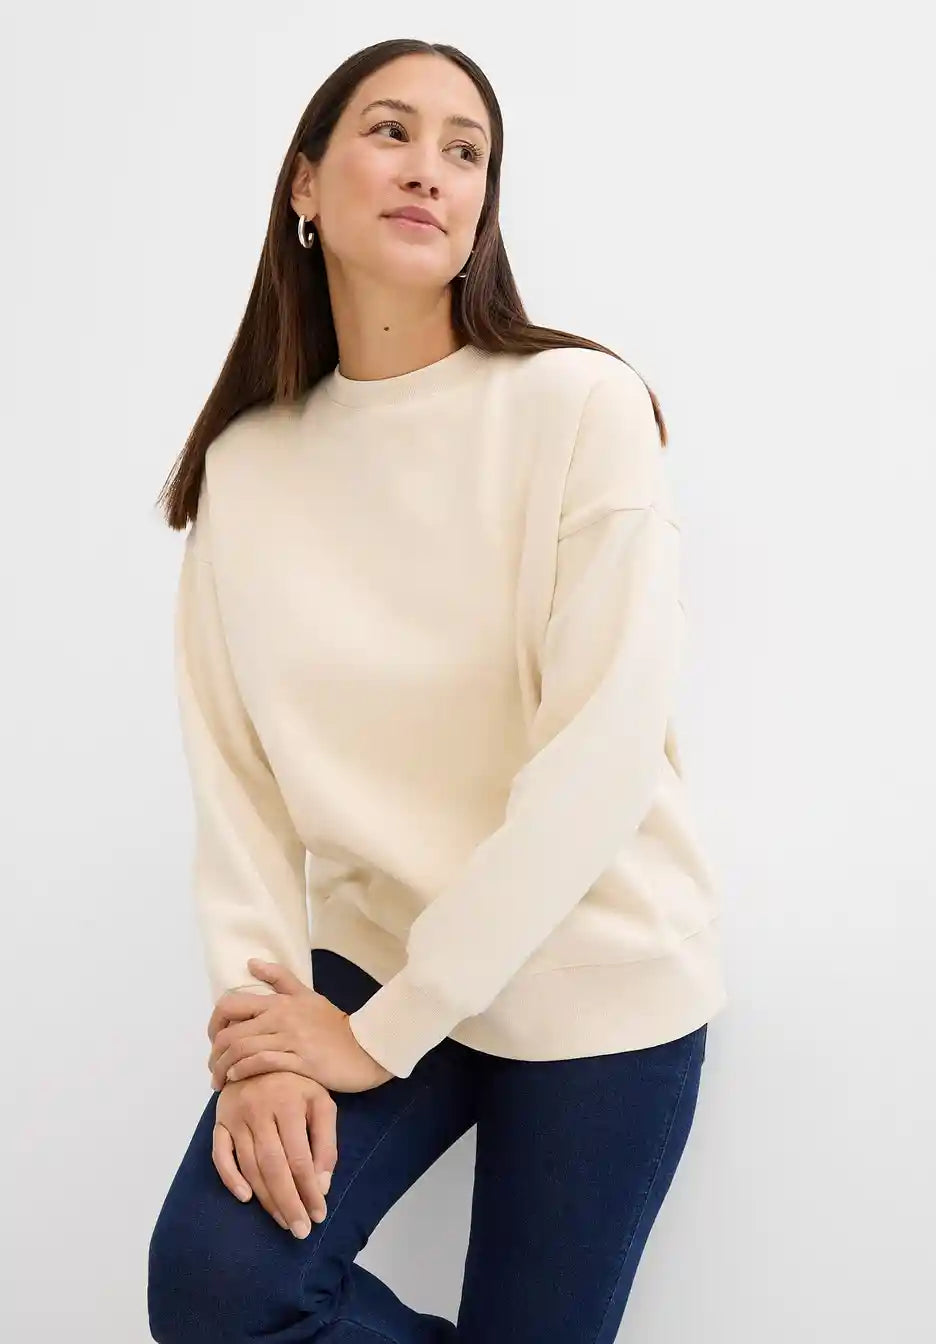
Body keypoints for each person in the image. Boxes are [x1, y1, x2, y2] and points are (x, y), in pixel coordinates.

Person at [147, 35, 728, 1344]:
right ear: (306, 184)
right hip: (375, 954)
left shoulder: (579, 405)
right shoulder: (247, 466)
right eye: (391, 132)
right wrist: (265, 1045)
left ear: (481, 211)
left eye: (466, 151)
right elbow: (238, 788)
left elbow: (602, 756)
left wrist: (380, 1038)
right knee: (222, 1289)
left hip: (591, 964)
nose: (430, 170)